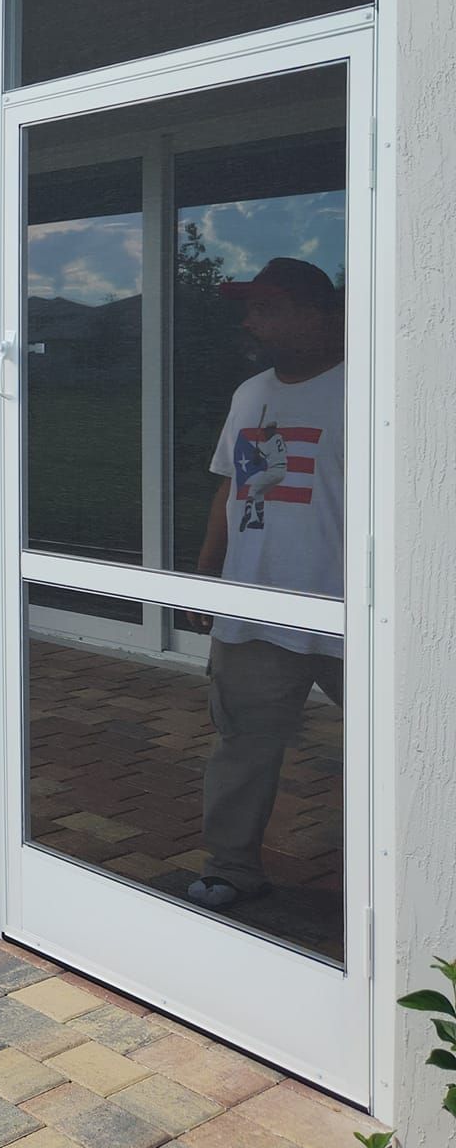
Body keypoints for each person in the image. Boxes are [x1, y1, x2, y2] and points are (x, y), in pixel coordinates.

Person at [186, 257, 345, 912]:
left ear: (317, 312)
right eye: (250, 309)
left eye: (268, 307)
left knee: (409, 747)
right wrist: (208, 573)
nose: (252, 321)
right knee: (242, 747)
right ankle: (231, 869)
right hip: (256, 610)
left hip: (353, 612)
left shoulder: (373, 389)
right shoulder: (252, 394)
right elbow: (240, 486)